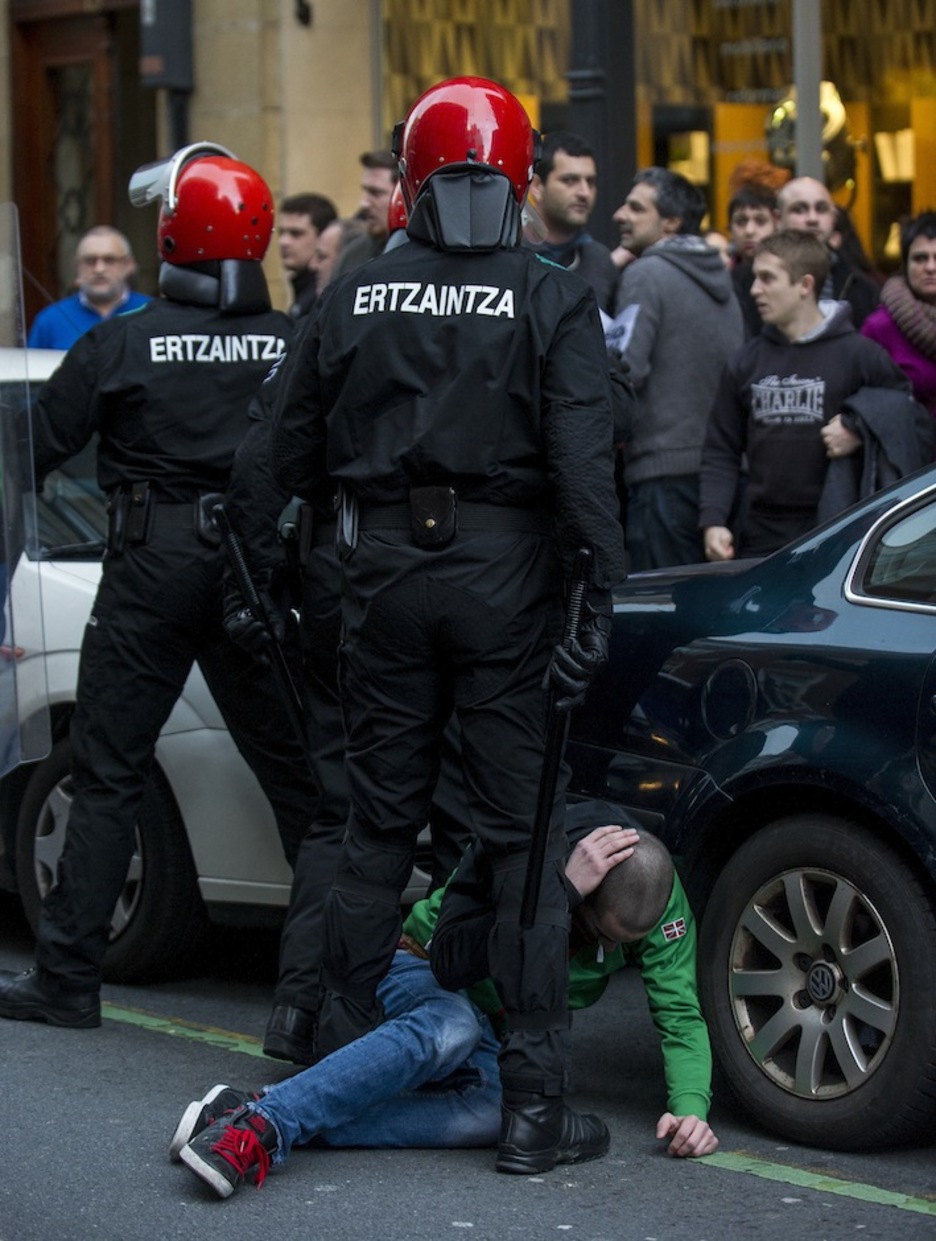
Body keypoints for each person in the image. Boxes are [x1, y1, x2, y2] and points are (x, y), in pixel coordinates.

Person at [269, 76, 626, 1175]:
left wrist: (281, 575)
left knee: (376, 823)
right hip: (508, 580)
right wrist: (595, 595)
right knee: (523, 845)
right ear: (516, 180)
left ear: (411, 180)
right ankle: (532, 1109)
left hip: (380, 574)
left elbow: (275, 454)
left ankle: (345, 1049)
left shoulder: (352, 292)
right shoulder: (552, 292)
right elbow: (584, 466)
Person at [0, 144, 321, 1029]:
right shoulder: (292, 339)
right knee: (296, 775)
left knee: (108, 770)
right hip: (254, 567)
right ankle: (327, 976)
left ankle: (67, 977)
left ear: (174, 234)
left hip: (147, 567)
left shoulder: (123, 340)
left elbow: (35, 448)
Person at [171, 808, 718, 1198]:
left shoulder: (656, 904)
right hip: (418, 967)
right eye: (601, 933)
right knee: (451, 1023)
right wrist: (557, 897)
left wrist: (691, 1108)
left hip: (492, 1020)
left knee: (499, 1114)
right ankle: (263, 1126)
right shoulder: (524, 851)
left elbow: (680, 1013)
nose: (609, 952)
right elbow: (453, 954)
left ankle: (246, 1109)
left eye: (625, 945)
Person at [699, 229, 918, 561]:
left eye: (767, 278)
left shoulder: (860, 354)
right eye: (755, 277)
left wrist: (858, 428)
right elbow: (721, 448)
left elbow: (905, 415)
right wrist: (713, 519)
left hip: (840, 527)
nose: (755, 289)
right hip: (760, 531)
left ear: (804, 285)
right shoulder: (745, 361)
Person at [611, 166, 743, 570]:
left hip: (661, 476)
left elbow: (624, 369)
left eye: (636, 208)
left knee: (660, 609)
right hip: (723, 478)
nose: (620, 214)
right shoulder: (720, 277)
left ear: (670, 222)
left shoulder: (645, 273)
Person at [522, 131, 618, 313]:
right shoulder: (514, 254)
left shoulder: (600, 261)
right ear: (536, 186)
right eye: (569, 180)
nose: (584, 192)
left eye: (590, 181)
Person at [860, 211, 936, 425]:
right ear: (905, 265)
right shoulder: (879, 327)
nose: (930, 267)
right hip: (910, 451)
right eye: (920, 258)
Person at [776, 176, 879, 329]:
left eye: (821, 209)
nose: (812, 218)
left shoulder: (862, 288)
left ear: (833, 218)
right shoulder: (752, 280)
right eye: (799, 209)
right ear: (778, 219)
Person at [26, 225, 150, 349]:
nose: (99, 269)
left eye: (109, 260)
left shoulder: (152, 314)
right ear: (77, 267)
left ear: (128, 265)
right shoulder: (49, 321)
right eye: (90, 261)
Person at [330, 149, 398, 279]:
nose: (364, 204)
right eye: (365, 191)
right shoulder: (352, 256)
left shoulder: (426, 256)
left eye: (375, 193)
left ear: (400, 194)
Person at [726, 182, 778, 338]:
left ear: (777, 223)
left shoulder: (790, 276)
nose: (749, 231)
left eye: (760, 221)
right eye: (741, 221)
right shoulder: (722, 277)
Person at [277, 192, 338, 319]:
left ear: (323, 236)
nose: (283, 242)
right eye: (281, 233)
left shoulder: (323, 295)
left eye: (296, 233)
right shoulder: (304, 293)